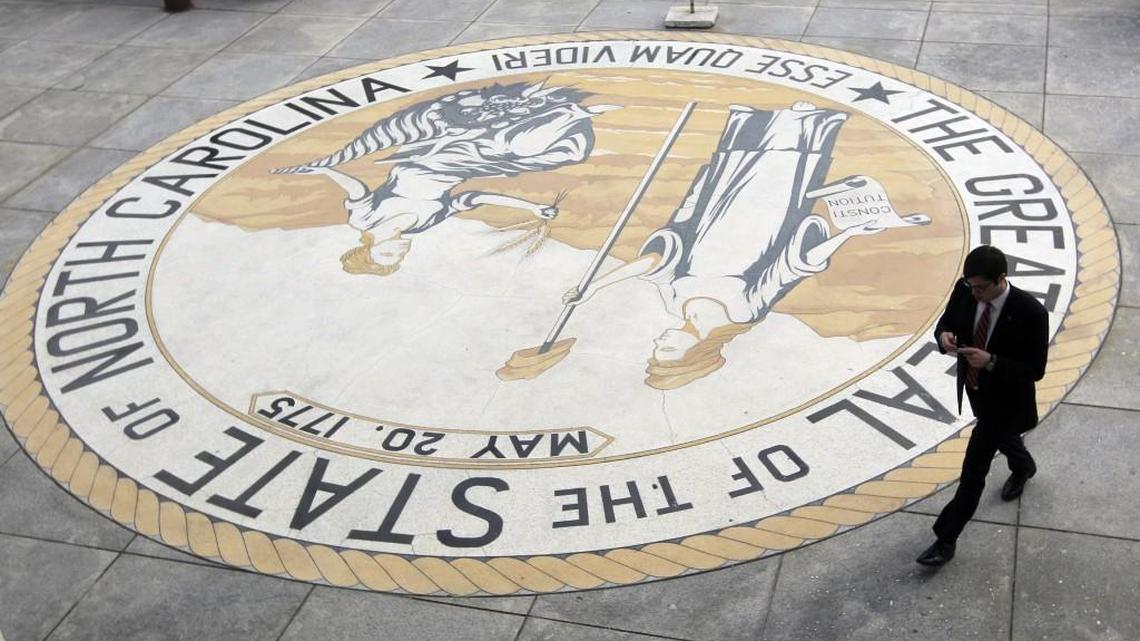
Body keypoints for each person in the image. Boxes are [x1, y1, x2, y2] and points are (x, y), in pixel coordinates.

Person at [916, 245, 1049, 566]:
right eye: (971, 286)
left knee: (973, 473)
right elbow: (947, 321)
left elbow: (1035, 370)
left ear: (1001, 278)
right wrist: (944, 335)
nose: (974, 293)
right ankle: (1023, 466)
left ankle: (945, 539)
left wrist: (991, 361)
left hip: (1004, 401)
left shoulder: (1031, 313)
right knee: (1004, 438)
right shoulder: (967, 290)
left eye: (981, 288)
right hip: (976, 390)